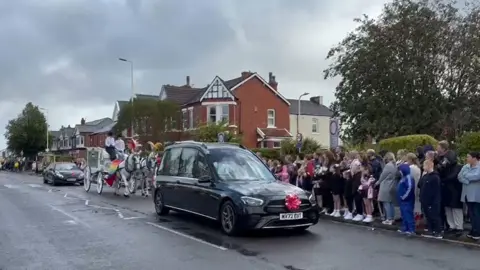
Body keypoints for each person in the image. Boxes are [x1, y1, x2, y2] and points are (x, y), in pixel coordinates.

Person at [436, 140, 463, 234]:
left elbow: (442, 167)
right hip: (446, 187)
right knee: (448, 207)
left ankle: (459, 227)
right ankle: (451, 226)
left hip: (454, 187)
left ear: (443, 148)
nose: (437, 149)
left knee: (456, 208)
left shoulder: (452, 161)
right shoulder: (440, 158)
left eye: (438, 147)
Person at [458, 152, 480, 240]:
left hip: (476, 194)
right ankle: (473, 229)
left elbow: (477, 176)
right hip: (467, 194)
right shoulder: (466, 166)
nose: (467, 158)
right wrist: (467, 180)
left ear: (474, 158)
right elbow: (459, 176)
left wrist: (466, 176)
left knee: (476, 213)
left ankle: (477, 232)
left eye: (468, 157)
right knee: (470, 213)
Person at [420, 160, 442, 239]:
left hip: (433, 201)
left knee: (434, 216)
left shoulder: (435, 177)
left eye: (424, 166)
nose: (423, 167)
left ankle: (438, 231)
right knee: (428, 216)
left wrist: (433, 201)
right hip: (425, 200)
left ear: (429, 166)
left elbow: (436, 191)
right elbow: (419, 185)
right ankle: (430, 230)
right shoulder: (425, 176)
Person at [376, 152, 398, 225]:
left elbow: (383, 175)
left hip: (386, 185)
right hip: (392, 184)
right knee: (390, 203)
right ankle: (392, 218)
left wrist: (378, 182)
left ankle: (388, 219)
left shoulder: (388, 165)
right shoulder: (395, 165)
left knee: (386, 203)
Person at [397, 163, 416, 234]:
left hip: (407, 200)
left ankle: (411, 229)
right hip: (402, 200)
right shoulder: (403, 178)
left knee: (408, 214)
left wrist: (404, 197)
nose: (399, 172)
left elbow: (410, 188)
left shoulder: (408, 177)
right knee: (404, 214)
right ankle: (405, 228)